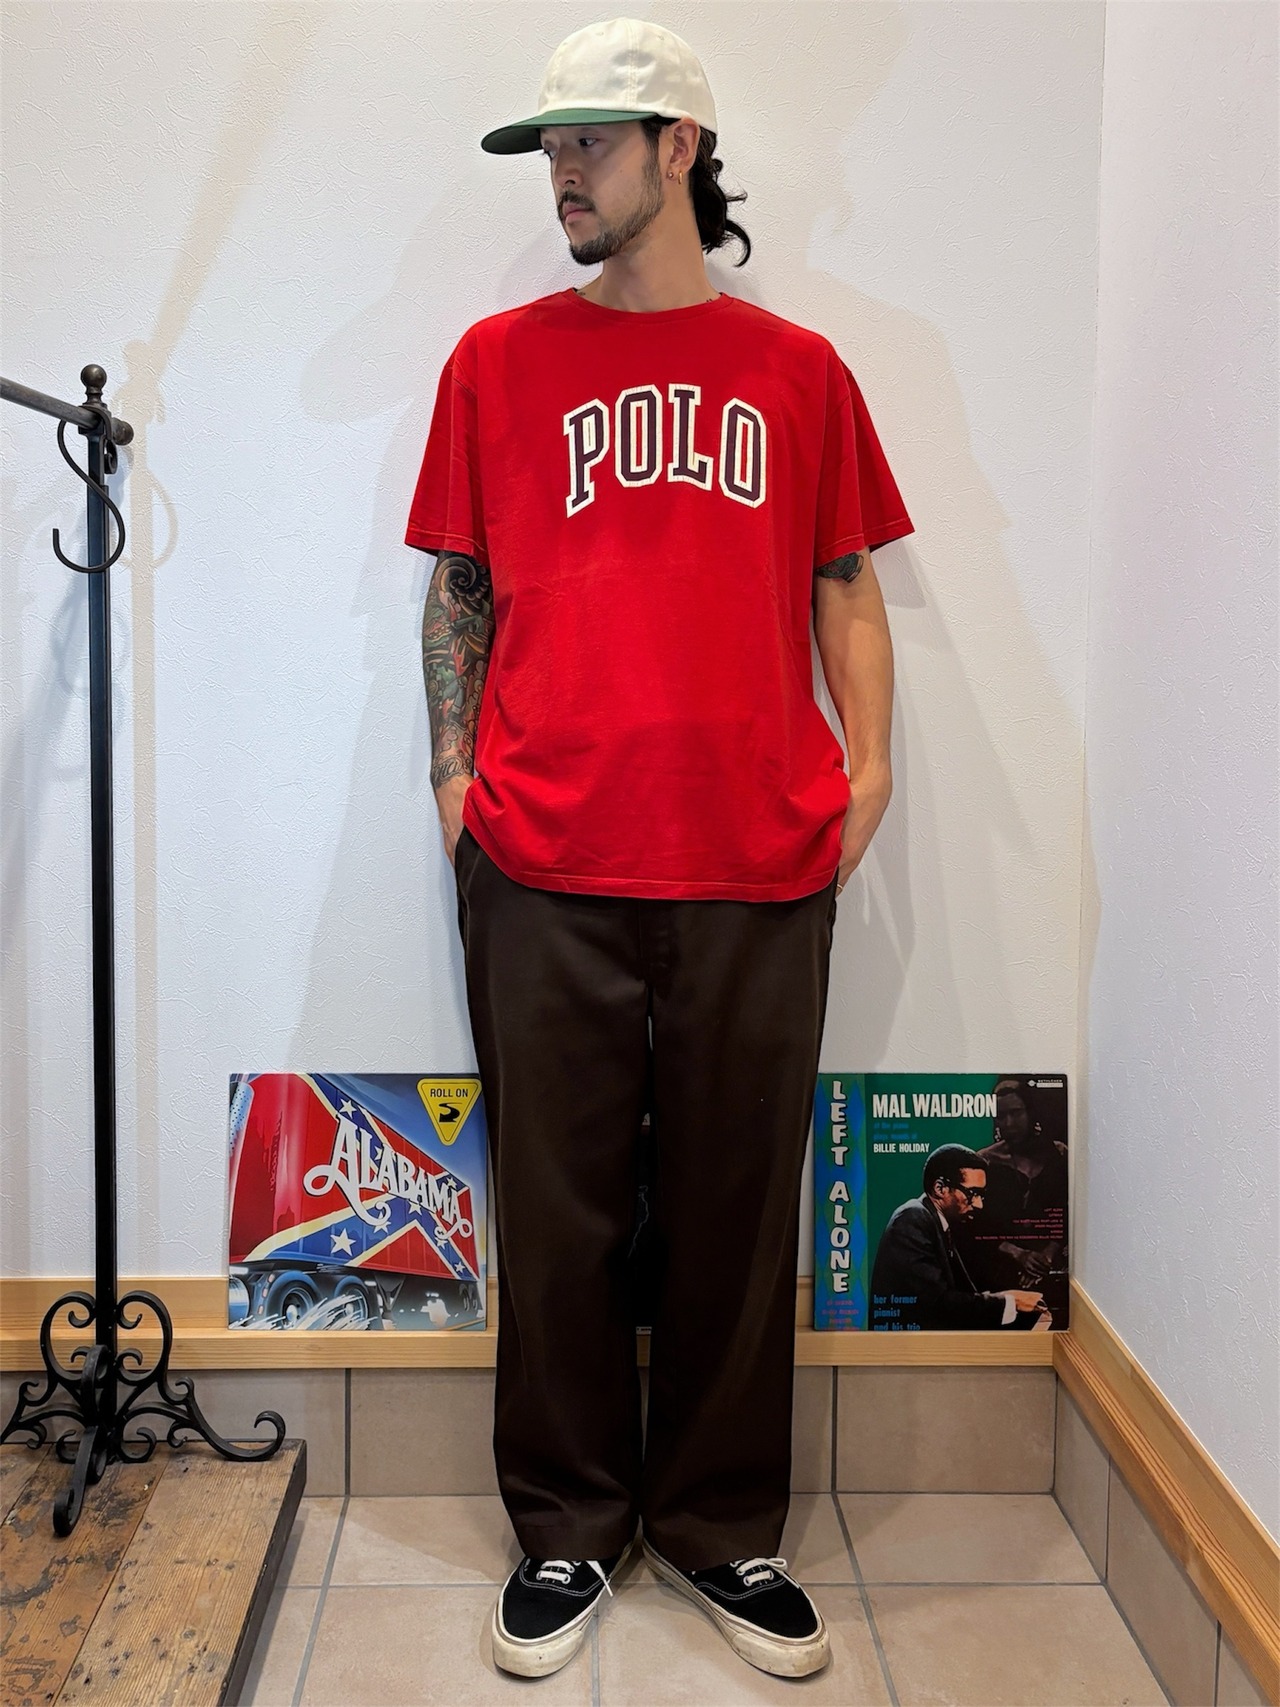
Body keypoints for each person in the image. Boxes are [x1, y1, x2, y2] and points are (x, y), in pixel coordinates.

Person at [404, 15, 915, 1681]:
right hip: (543, 853)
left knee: (734, 1208)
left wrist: (872, 768)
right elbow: (458, 584)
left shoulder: (802, 374)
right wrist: (453, 770)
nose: (560, 174)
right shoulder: (494, 363)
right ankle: (564, 1526)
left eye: (589, 143)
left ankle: (718, 1524)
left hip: (756, 854)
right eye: (547, 148)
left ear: (679, 147)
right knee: (556, 1218)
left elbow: (846, 578)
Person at [868, 1144, 1050, 1330]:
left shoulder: (938, 1222)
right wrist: (1010, 1301)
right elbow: (938, 1304)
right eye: (972, 1193)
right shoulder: (912, 1218)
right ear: (940, 1188)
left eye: (981, 1195)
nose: (979, 1205)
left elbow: (957, 1296)